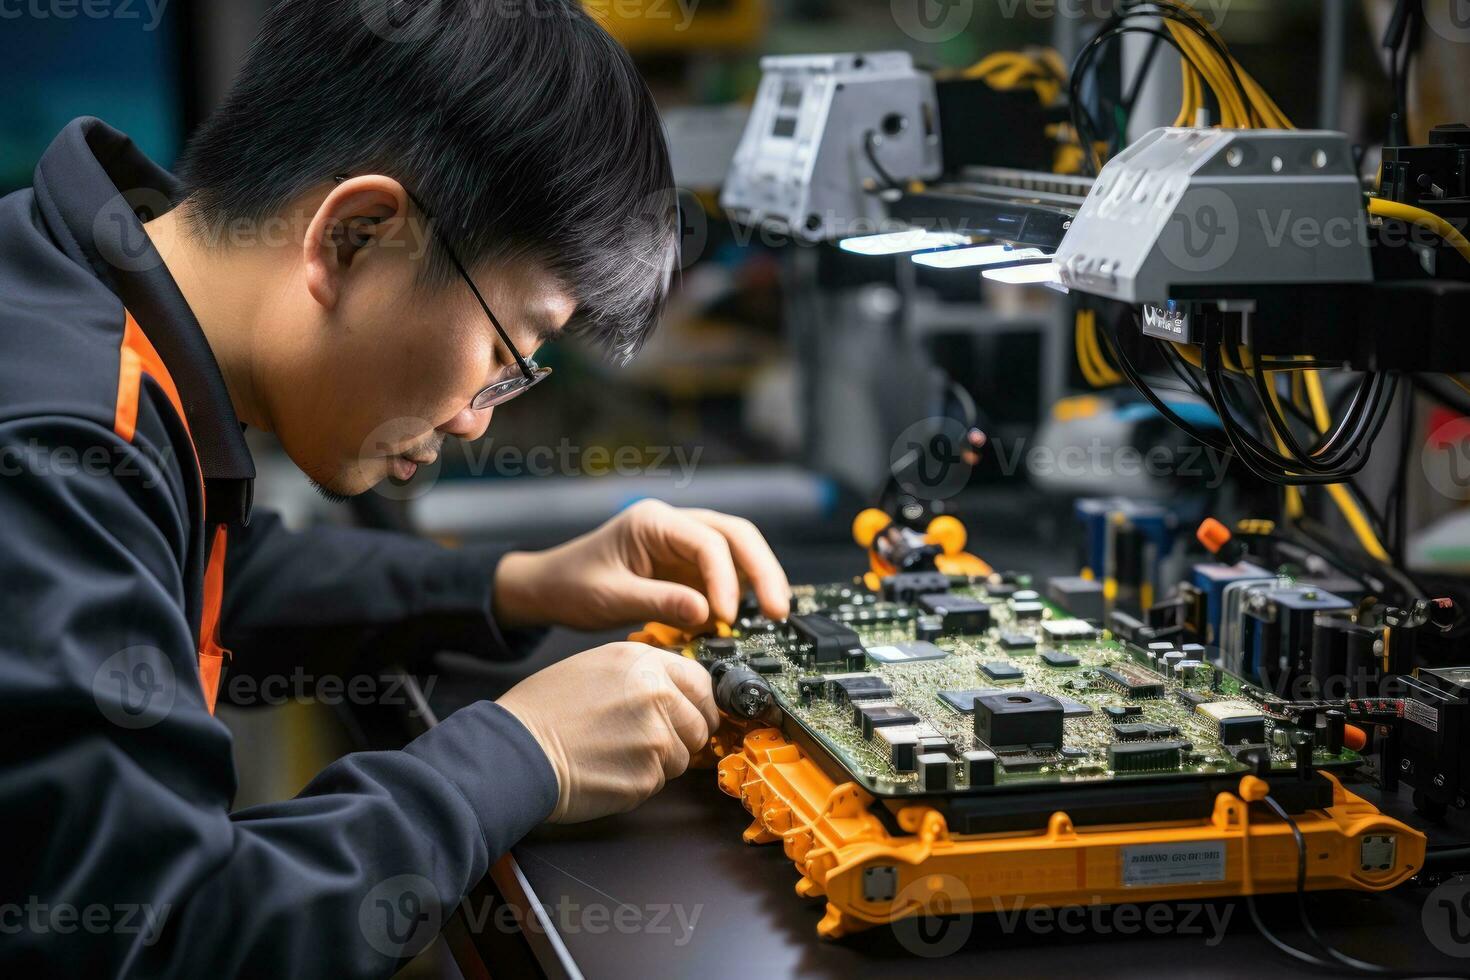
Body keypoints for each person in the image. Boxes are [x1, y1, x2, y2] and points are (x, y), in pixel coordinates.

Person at [0, 1, 789, 975]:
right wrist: (520, 750)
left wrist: (515, 583)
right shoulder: (56, 439)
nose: (475, 418)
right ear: (357, 236)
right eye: (505, 354)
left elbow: (202, 583)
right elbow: (162, 940)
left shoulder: (79, 295)